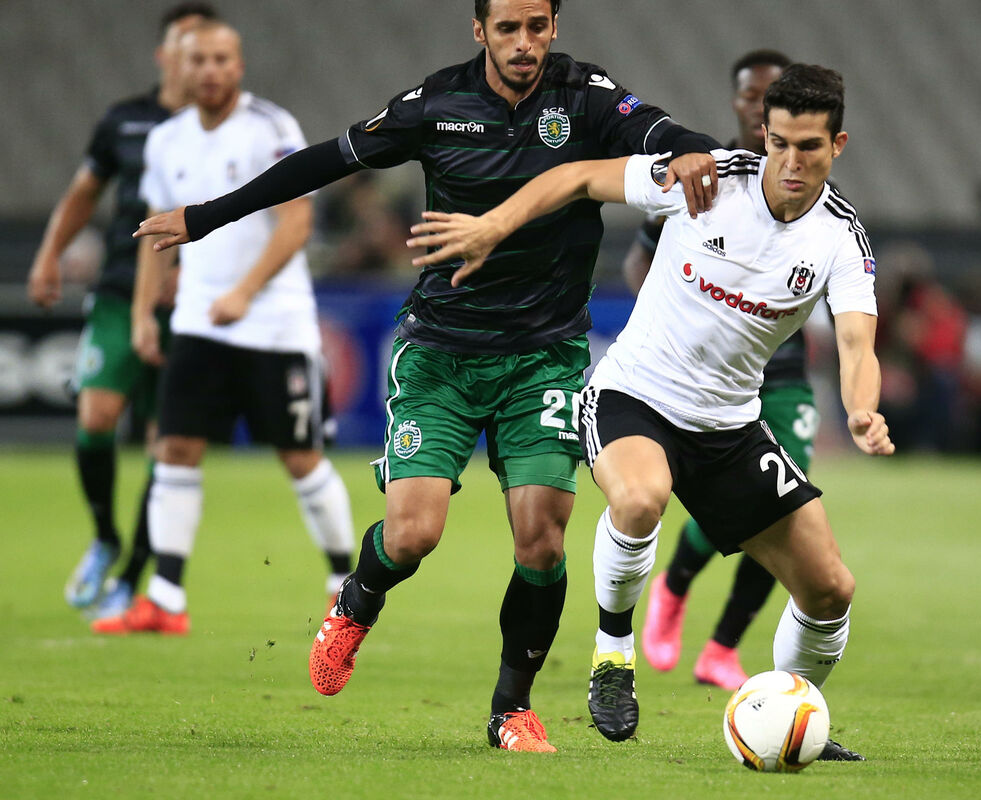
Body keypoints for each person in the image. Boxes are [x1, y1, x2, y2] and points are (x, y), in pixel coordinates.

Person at [133, 0, 720, 753]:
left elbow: (660, 130)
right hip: (442, 351)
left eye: (537, 27)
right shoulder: (437, 103)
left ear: (553, 27)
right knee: (414, 534)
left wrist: (694, 148)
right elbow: (330, 159)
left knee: (542, 542)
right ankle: (359, 596)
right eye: (507, 28)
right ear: (480, 31)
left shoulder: (585, 96)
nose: (524, 43)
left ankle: (511, 709)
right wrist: (209, 216)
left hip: (543, 357)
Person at [407, 63, 893, 760]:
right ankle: (613, 652)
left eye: (809, 147)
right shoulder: (705, 181)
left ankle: (792, 712)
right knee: (640, 499)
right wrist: (493, 225)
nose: (791, 162)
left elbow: (856, 344)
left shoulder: (840, 238)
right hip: (635, 396)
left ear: (837, 145)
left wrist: (863, 410)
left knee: (830, 589)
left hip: (729, 426)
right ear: (763, 133)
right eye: (779, 142)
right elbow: (578, 176)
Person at [91, 20, 357, 635]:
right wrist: (143, 313)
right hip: (198, 324)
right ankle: (166, 598)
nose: (210, 70)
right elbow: (156, 233)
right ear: (177, 67)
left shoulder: (271, 127)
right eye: (199, 60)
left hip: (274, 326)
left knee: (300, 456)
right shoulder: (166, 141)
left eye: (221, 59)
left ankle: (342, 582)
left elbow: (296, 222)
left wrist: (245, 292)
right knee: (174, 449)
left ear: (238, 65)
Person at [622, 49, 821, 693]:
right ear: (739, 104)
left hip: (780, 372)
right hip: (700, 378)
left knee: (784, 503)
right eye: (751, 95)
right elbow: (639, 259)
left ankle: (722, 647)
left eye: (773, 94)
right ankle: (675, 587)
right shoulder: (705, 174)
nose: (760, 105)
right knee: (719, 497)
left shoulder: (809, 186)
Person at [26, 3, 219, 619]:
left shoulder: (227, 131)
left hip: (193, 304)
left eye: (207, 48)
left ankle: (132, 574)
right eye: (185, 45)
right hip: (118, 289)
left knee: (170, 444)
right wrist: (49, 255)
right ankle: (105, 536)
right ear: (166, 55)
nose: (196, 60)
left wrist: (191, 270)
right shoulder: (126, 121)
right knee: (97, 415)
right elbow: (84, 193)